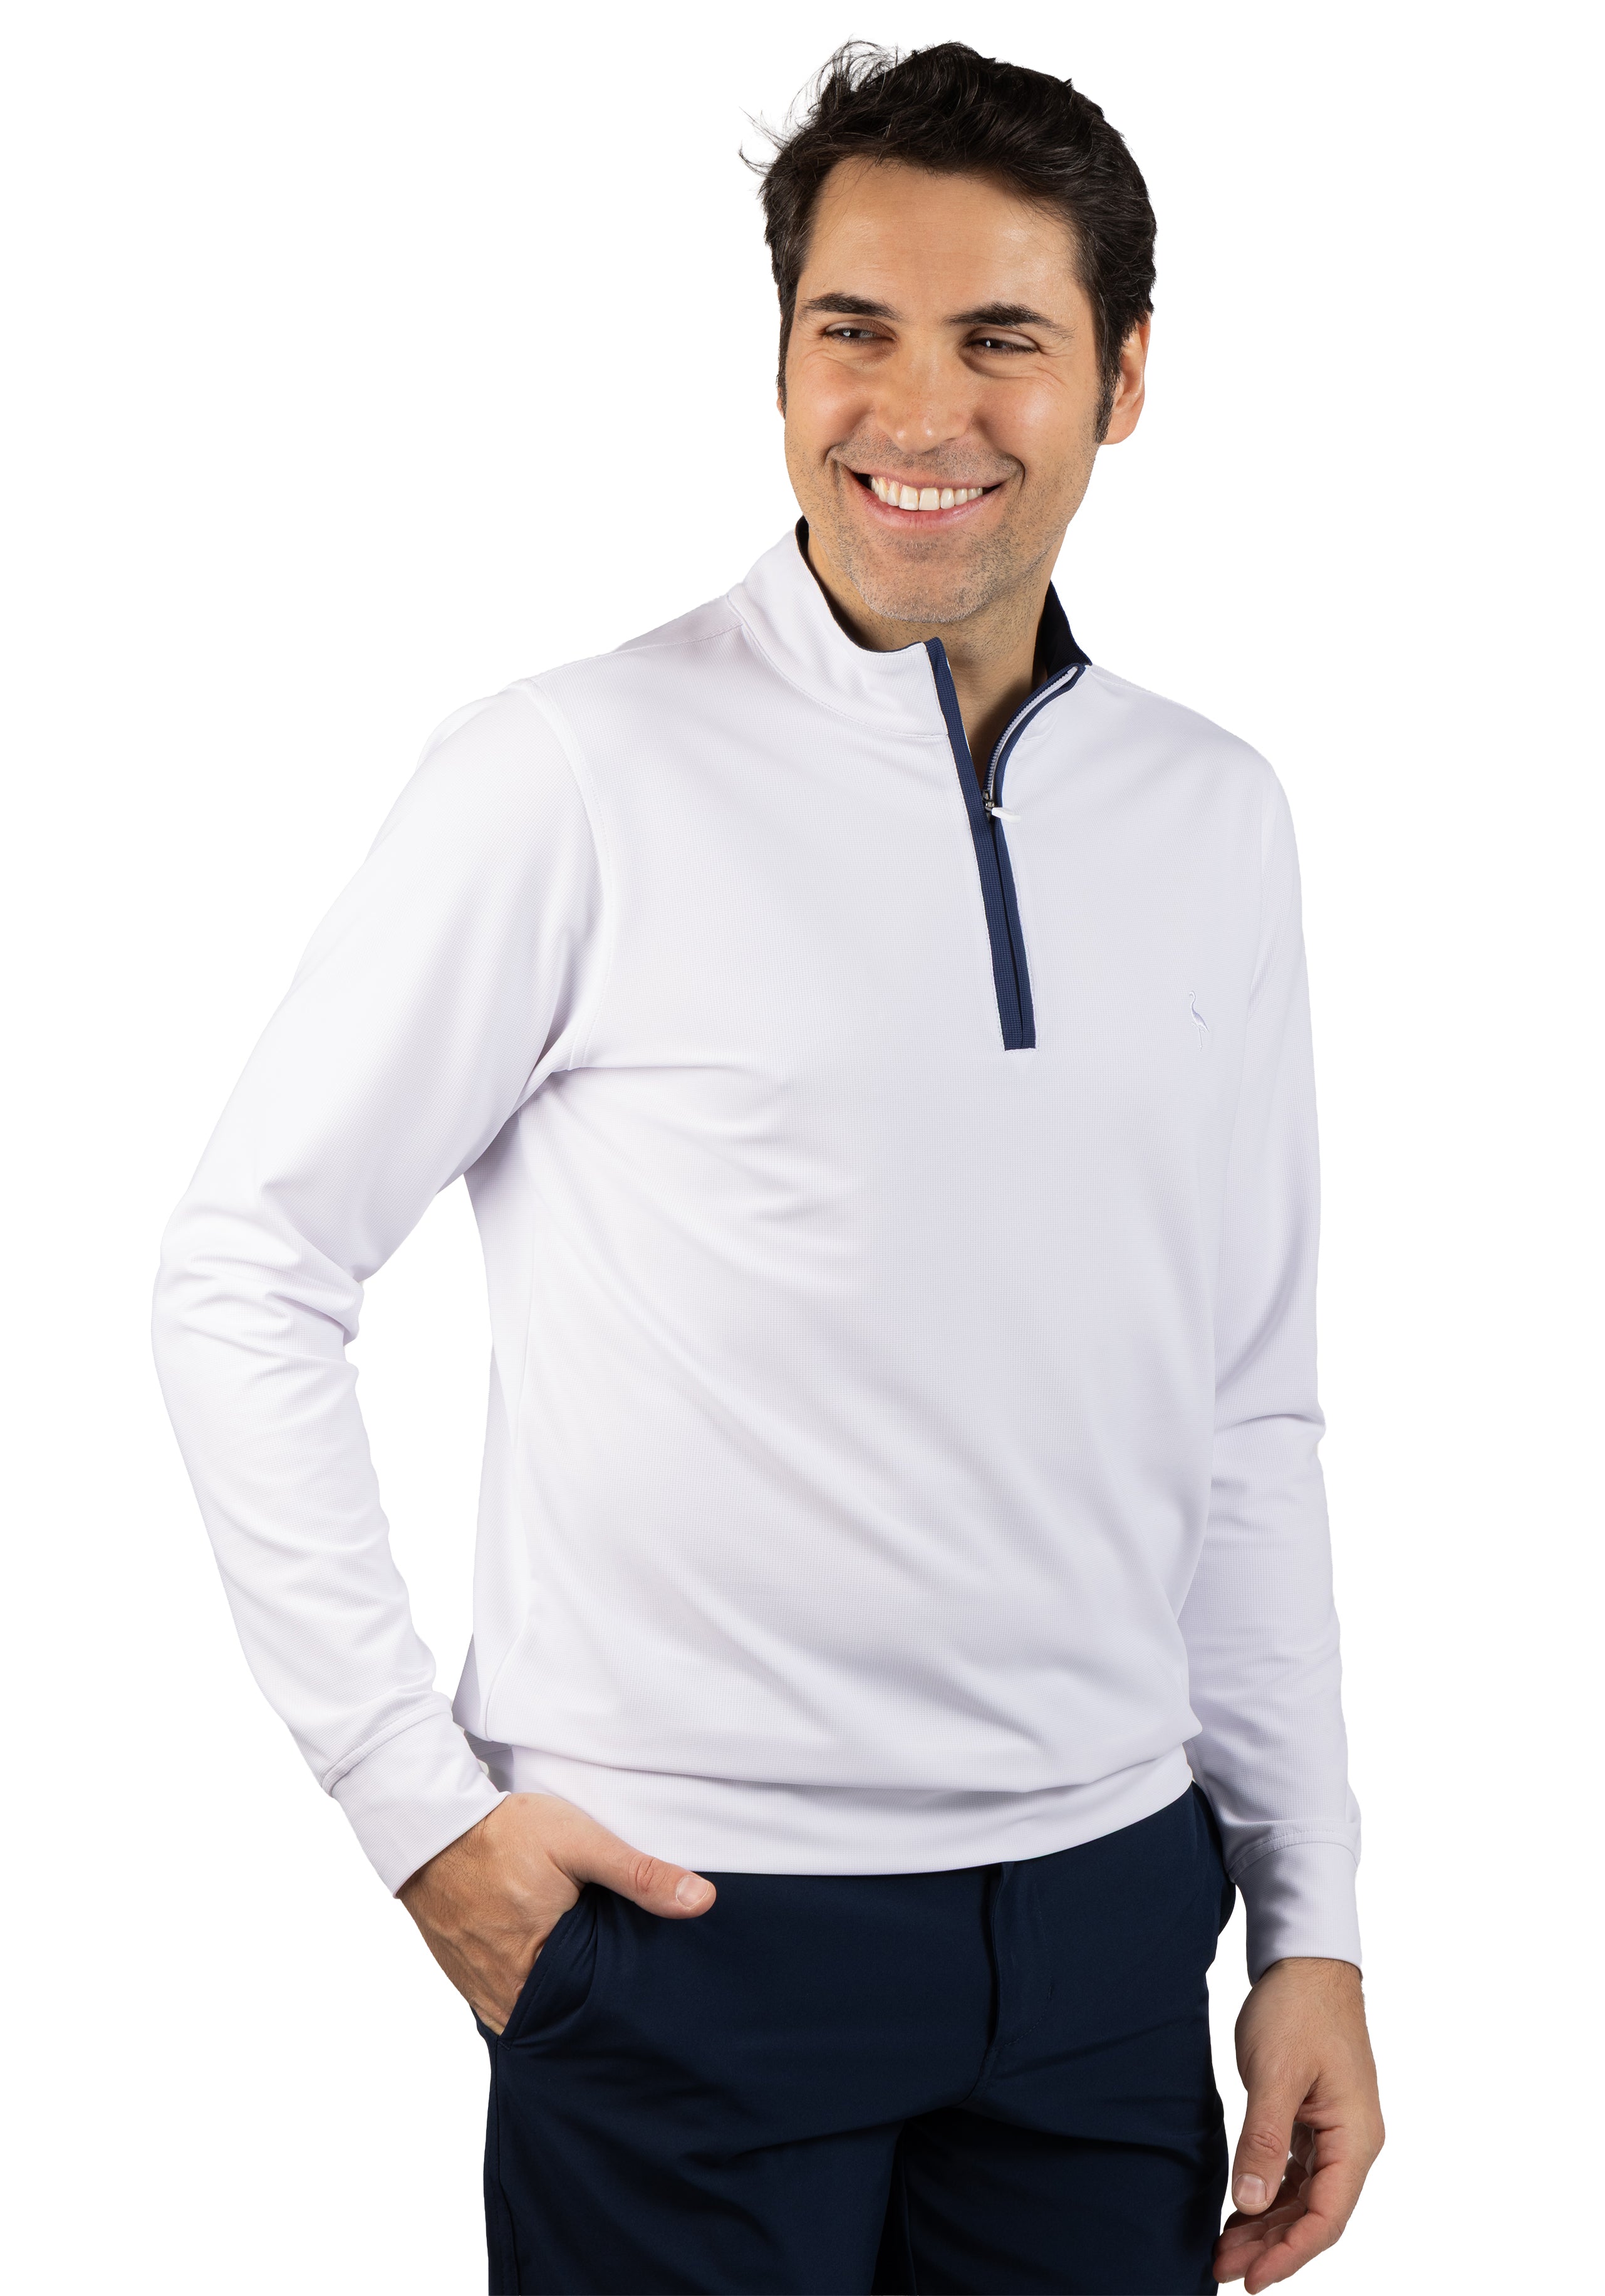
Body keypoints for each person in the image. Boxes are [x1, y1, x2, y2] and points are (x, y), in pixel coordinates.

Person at [152, 39, 1383, 2296]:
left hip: (1114, 1929)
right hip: (689, 1925)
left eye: (1000, 338)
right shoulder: (572, 770)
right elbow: (249, 1267)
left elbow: (1248, 1401)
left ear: (1122, 379)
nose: (918, 411)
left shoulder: (1218, 816)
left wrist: (1310, 1919)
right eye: (855, 330)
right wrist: (416, 1813)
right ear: (783, 359)